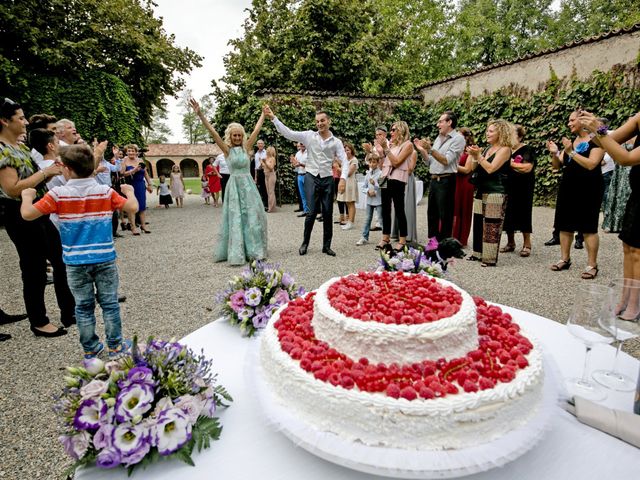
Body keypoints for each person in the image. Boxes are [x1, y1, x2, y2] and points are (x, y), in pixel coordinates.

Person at [21, 144, 138, 358]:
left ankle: (91, 348)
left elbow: (28, 214)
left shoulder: (58, 194)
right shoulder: (104, 191)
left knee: (83, 307)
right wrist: (129, 192)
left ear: (66, 169)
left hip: (75, 262)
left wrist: (27, 196)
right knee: (110, 304)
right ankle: (115, 346)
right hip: (104, 258)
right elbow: (132, 208)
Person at [0, 98, 75, 337]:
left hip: (39, 208)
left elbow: (35, 179)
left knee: (60, 258)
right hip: (19, 213)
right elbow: (12, 189)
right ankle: (39, 320)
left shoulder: (20, 148)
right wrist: (44, 172)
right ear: (4, 121)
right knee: (33, 267)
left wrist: (51, 173)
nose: (25, 122)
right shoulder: (2, 150)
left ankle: (69, 311)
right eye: (20, 118)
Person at [190, 98, 268, 264]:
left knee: (252, 217)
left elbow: (256, 130)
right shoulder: (226, 150)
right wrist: (200, 114)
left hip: (248, 185)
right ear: (231, 137)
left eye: (240, 135)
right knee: (236, 217)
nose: (238, 137)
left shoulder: (247, 148)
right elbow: (214, 133)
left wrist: (263, 114)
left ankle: (254, 250)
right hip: (234, 185)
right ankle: (237, 250)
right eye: (235, 135)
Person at [264, 104, 349, 256]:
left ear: (328, 121)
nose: (319, 124)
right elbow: (288, 133)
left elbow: (344, 160)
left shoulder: (336, 142)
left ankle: (326, 246)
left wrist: (342, 178)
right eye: (317, 121)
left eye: (322, 120)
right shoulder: (309, 136)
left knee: (328, 213)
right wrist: (273, 118)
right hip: (311, 176)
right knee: (310, 212)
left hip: (328, 179)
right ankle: (305, 243)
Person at [579, 111, 640, 317]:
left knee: (639, 252)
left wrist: (600, 129)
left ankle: (635, 304)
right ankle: (625, 298)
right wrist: (592, 127)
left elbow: (626, 158)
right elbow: (602, 142)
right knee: (628, 247)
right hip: (638, 193)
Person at [546, 110, 604, 279]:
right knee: (564, 225)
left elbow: (592, 164)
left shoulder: (597, 140)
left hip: (589, 187)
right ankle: (565, 259)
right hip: (568, 185)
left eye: (572, 120)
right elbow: (557, 166)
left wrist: (571, 152)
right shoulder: (573, 141)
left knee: (588, 227)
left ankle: (592, 264)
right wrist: (554, 153)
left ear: (583, 121)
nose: (569, 124)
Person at [467, 119, 514, 267]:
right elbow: (475, 168)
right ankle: (478, 253)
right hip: (482, 189)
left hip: (496, 190)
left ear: (501, 133)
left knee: (491, 226)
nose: (487, 133)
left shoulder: (505, 150)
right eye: (487, 130)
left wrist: (479, 156)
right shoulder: (488, 148)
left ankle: (489, 258)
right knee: (479, 222)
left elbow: (491, 168)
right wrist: (475, 156)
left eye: (491, 131)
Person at [414, 111, 465, 241]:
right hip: (434, 180)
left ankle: (444, 244)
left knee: (445, 215)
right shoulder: (438, 138)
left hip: (447, 180)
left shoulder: (458, 139)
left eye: (441, 121)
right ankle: (432, 242)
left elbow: (446, 160)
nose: (438, 124)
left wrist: (430, 149)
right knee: (432, 214)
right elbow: (430, 161)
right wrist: (422, 151)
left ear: (450, 122)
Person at [375, 120, 413, 251]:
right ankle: (385, 238)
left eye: (393, 130)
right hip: (384, 177)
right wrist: (380, 152)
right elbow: (381, 166)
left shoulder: (408, 145)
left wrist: (385, 148)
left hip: (397, 178)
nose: (391, 132)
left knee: (399, 209)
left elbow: (396, 162)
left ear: (401, 130)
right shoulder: (391, 145)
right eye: (391, 130)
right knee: (385, 209)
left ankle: (402, 239)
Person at [501, 125, 536, 257]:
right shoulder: (506, 150)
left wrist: (509, 163)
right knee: (508, 213)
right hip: (507, 185)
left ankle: (527, 244)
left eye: (513, 135)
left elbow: (527, 168)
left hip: (523, 187)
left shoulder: (527, 149)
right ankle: (511, 243)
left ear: (520, 137)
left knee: (524, 213)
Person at [452, 127, 475, 247]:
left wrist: (451, 164)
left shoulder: (470, 150)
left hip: (465, 183)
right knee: (452, 208)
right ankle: (450, 236)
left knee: (462, 210)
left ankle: (460, 238)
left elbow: (467, 169)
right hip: (454, 181)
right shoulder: (455, 148)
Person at [121, 144, 152, 233]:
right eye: (129, 151)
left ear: (136, 152)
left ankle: (143, 226)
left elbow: (145, 173)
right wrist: (134, 170)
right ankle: (133, 227)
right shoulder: (124, 161)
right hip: (130, 186)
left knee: (142, 206)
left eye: (133, 151)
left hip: (140, 185)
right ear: (126, 152)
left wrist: (149, 184)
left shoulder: (140, 160)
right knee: (132, 207)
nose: (131, 152)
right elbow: (122, 173)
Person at [356, 152, 382, 246]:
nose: (372, 164)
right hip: (369, 200)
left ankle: (385, 238)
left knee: (381, 219)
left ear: (378, 163)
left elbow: (383, 186)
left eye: (374, 162)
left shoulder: (381, 173)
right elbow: (363, 186)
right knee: (367, 219)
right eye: (370, 162)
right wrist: (367, 191)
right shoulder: (368, 174)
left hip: (379, 200)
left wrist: (375, 185)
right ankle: (364, 237)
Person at [337, 142, 358, 230]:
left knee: (351, 203)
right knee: (347, 202)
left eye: (348, 150)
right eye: (345, 150)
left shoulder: (354, 160)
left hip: (350, 183)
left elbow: (349, 173)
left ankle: (351, 222)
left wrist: (338, 168)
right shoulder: (345, 161)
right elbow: (341, 173)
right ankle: (349, 221)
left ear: (352, 150)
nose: (346, 152)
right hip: (345, 182)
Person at [291, 142, 308, 216]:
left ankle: (311, 211)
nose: (302, 145)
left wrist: (300, 164)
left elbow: (310, 165)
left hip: (307, 175)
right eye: (301, 144)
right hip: (299, 175)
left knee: (309, 194)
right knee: (302, 194)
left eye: (303, 143)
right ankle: (305, 210)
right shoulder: (298, 153)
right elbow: (295, 165)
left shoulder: (309, 153)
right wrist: (293, 163)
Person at [254, 139, 268, 209]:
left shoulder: (266, 153)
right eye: (259, 143)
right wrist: (255, 177)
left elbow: (268, 163)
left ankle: (266, 205)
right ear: (257, 145)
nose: (260, 145)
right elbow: (256, 167)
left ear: (264, 145)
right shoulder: (256, 154)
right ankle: (261, 205)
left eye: (261, 143)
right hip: (259, 172)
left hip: (265, 172)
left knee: (265, 188)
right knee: (260, 189)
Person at [264, 146, 277, 212]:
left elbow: (271, 168)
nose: (267, 151)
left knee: (271, 191)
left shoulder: (272, 158)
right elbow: (264, 167)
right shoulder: (266, 158)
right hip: (266, 175)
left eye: (268, 150)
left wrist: (265, 163)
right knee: (268, 191)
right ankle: (272, 206)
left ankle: (271, 208)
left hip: (271, 175)